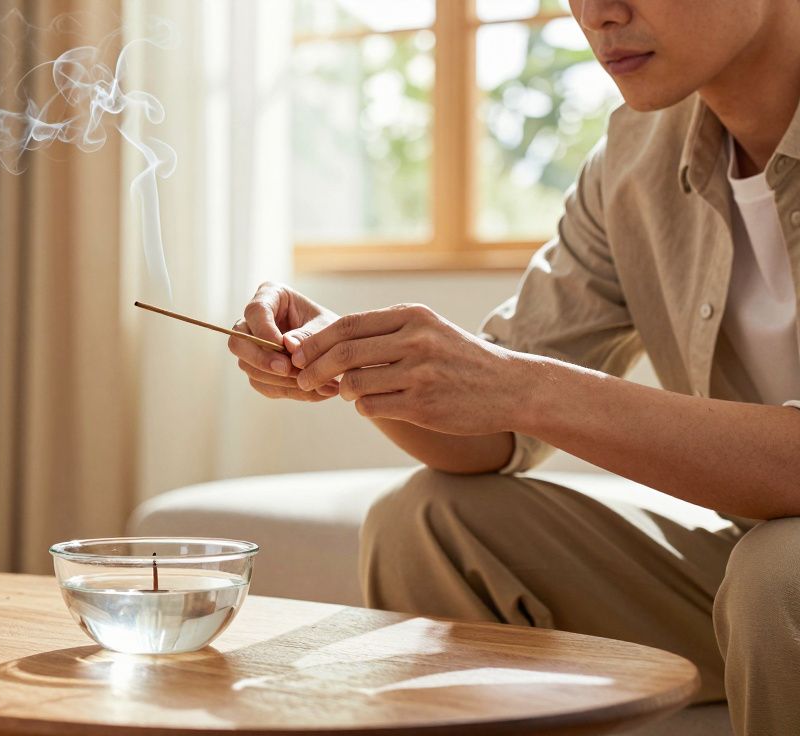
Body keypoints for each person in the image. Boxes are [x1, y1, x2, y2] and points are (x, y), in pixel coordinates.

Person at [227, 1, 800, 733]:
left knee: (780, 574)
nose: (598, 14)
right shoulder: (632, 161)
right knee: (428, 521)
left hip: (774, 581)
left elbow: (518, 386)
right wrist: (349, 358)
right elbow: (490, 436)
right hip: (746, 575)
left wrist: (521, 386)